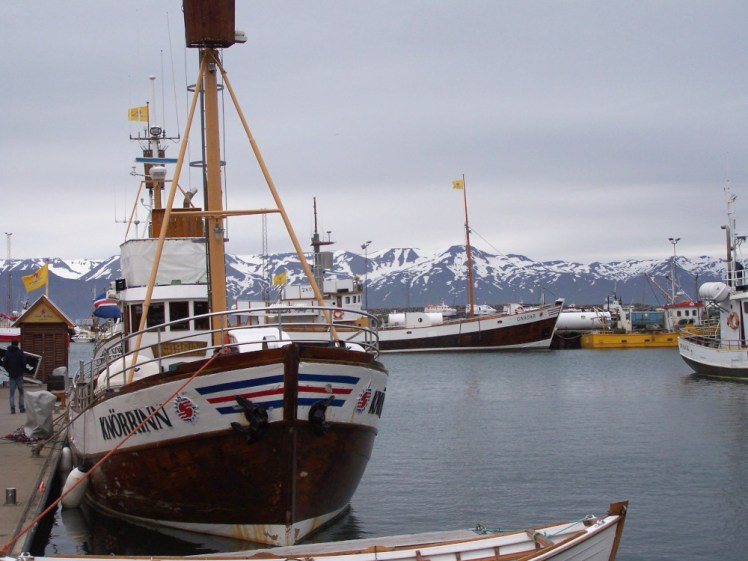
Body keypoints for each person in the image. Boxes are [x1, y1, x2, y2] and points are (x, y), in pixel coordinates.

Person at [3, 340, 27, 414]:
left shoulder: (7, 353)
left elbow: (4, 364)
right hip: (19, 374)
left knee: (11, 393)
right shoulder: (20, 352)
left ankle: (12, 409)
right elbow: (24, 363)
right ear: (17, 344)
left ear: (11, 344)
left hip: (12, 375)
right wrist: (23, 370)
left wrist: (9, 370)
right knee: (21, 392)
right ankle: (21, 407)